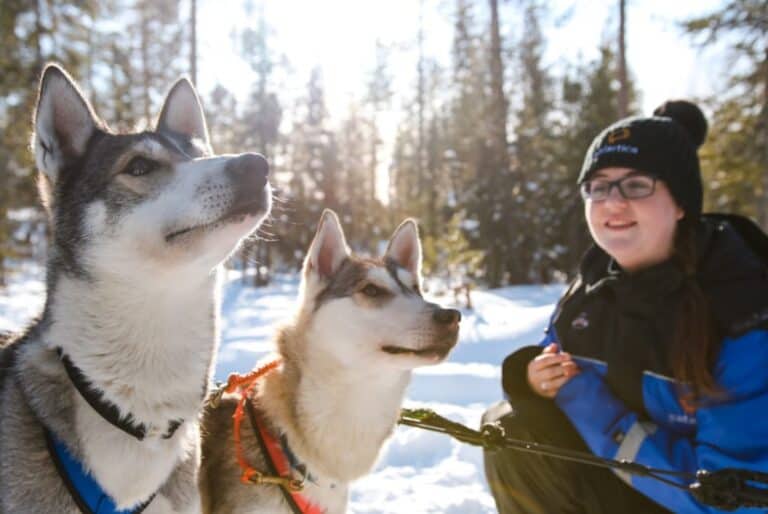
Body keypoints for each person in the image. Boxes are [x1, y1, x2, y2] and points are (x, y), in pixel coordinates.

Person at [482, 100, 768, 514]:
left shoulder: (740, 305)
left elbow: (730, 497)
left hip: (698, 503)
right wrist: (533, 379)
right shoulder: (594, 283)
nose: (613, 202)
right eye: (599, 186)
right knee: (510, 431)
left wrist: (580, 395)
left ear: (682, 201)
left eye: (637, 185)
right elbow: (555, 355)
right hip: (634, 485)